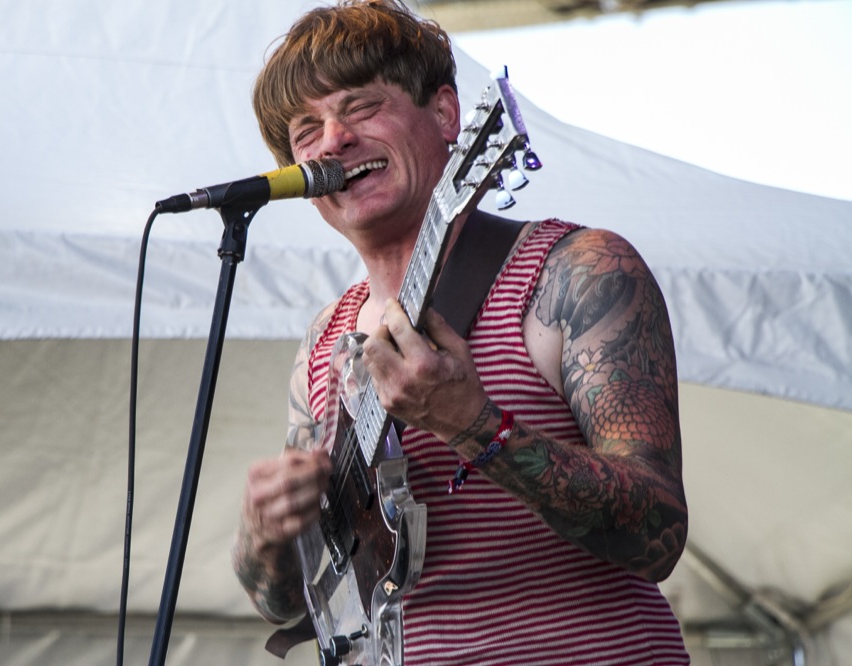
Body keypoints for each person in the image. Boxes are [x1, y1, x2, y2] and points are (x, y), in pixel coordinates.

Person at [231, 1, 690, 663]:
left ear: (446, 115)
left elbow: (658, 532)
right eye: (308, 129)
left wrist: (475, 424)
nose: (332, 141)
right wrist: (264, 533)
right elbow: (290, 604)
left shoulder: (577, 272)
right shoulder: (322, 344)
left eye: (360, 107)